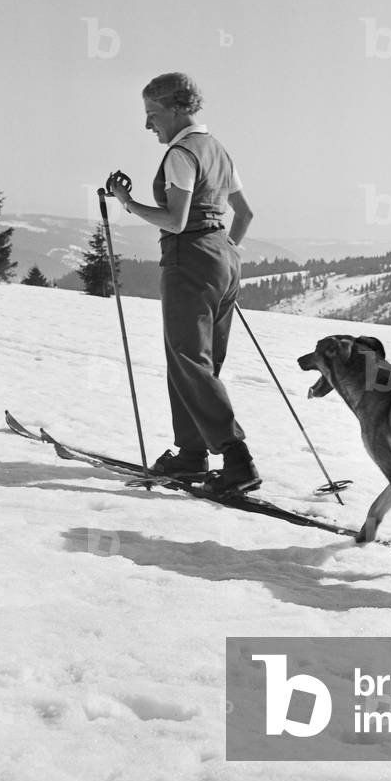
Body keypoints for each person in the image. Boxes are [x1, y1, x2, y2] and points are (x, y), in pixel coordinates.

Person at [107, 72, 260, 496]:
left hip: (188, 257)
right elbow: (245, 214)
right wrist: (224, 252)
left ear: (176, 108)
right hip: (224, 258)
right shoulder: (217, 150)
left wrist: (128, 203)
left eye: (152, 114)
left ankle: (236, 458)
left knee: (187, 358)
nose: (147, 124)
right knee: (200, 361)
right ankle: (192, 454)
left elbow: (174, 220)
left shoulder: (181, 153)